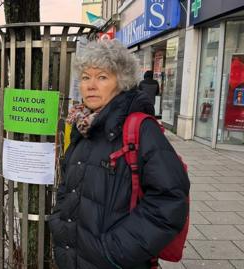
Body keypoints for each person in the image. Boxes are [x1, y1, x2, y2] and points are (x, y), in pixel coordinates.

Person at [49, 40, 190, 269]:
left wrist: (116, 250)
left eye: (102, 77)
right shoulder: (81, 125)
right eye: (85, 77)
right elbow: (68, 185)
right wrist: (58, 222)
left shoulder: (141, 129)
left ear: (121, 82)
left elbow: (170, 200)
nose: (91, 85)